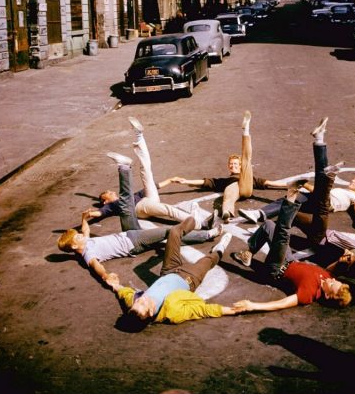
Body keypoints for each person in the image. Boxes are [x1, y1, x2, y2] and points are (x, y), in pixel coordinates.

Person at [238, 117, 355, 263]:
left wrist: (351, 258)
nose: (352, 180)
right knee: (293, 210)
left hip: (322, 228)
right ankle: (261, 219)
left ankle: (321, 147)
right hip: (320, 217)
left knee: (323, 196)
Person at [57, 161, 222, 286]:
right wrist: (105, 276)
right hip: (133, 242)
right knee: (170, 232)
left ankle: (124, 167)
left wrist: (84, 219)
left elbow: (85, 230)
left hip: (128, 233)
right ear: (73, 247)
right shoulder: (88, 254)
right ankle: (205, 231)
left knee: (129, 209)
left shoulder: (86, 242)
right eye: (77, 237)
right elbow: (96, 266)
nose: (81, 235)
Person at [232, 171, 352, 313]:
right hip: (289, 259)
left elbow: (283, 303)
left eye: (332, 284)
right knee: (269, 225)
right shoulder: (328, 277)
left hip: (277, 269)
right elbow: (327, 272)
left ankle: (291, 197)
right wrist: (341, 262)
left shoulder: (310, 293)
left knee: (282, 234)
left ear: (327, 295)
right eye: (335, 281)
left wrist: (252, 306)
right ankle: (248, 253)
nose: (331, 280)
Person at [84, 117, 216, 230]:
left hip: (147, 199)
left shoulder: (128, 195)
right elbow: (99, 213)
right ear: (105, 201)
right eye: (107, 193)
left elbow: (153, 186)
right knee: (168, 210)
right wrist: (87, 215)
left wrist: (170, 180)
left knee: (146, 170)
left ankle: (139, 136)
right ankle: (201, 224)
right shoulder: (112, 206)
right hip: (140, 208)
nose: (110, 191)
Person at [106, 216, 238, 327]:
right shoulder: (173, 313)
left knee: (174, 232)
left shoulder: (134, 302)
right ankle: (220, 248)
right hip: (189, 278)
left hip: (169, 270)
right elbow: (204, 310)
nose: (142, 299)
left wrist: (114, 284)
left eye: (138, 302)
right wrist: (233, 310)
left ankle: (196, 222)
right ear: (151, 312)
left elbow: (124, 293)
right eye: (143, 304)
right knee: (210, 260)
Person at [169, 111, 284, 222]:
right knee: (228, 193)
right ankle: (226, 213)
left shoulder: (249, 176)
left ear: (239, 166)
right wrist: (185, 181)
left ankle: (246, 131)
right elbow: (205, 182)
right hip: (233, 189)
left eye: (235, 164)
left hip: (246, 186)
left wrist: (289, 186)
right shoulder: (225, 181)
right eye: (231, 164)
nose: (233, 165)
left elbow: (270, 183)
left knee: (247, 160)